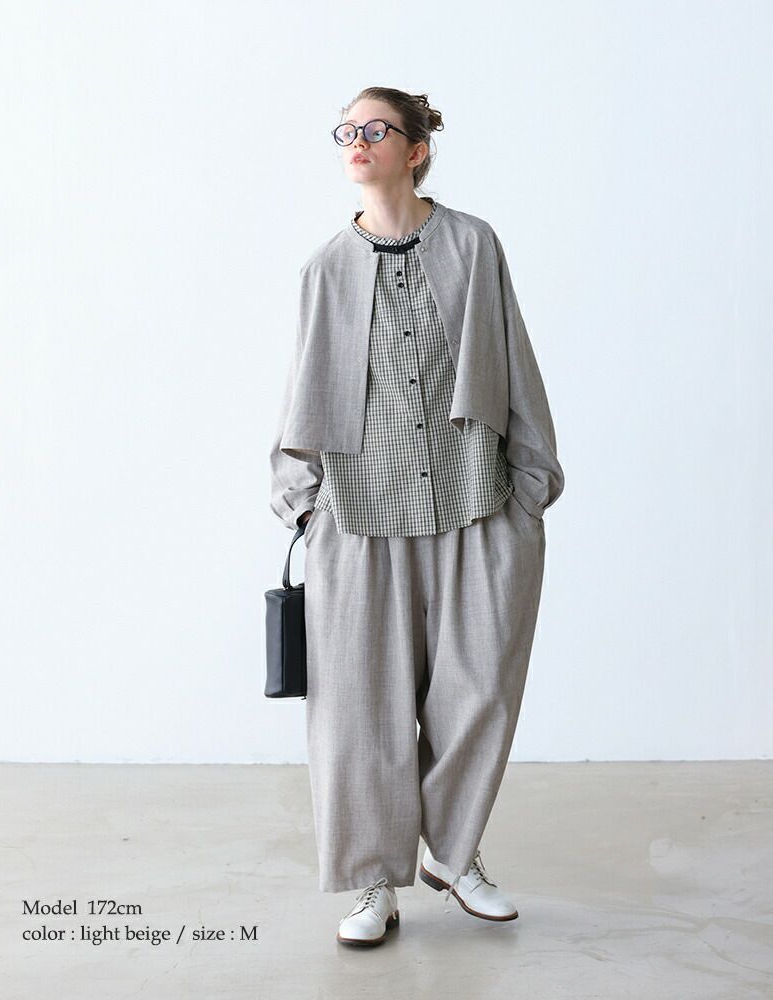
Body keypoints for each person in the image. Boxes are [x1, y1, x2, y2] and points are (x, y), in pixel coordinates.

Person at [269, 86, 565, 947]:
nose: (356, 141)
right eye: (346, 131)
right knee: (358, 709)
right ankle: (374, 878)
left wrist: (530, 486)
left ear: (416, 148)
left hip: (476, 500)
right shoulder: (325, 268)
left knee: (479, 693)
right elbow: (300, 393)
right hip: (360, 513)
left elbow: (514, 362)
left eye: (376, 129)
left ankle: (454, 854)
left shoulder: (473, 245)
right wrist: (304, 506)